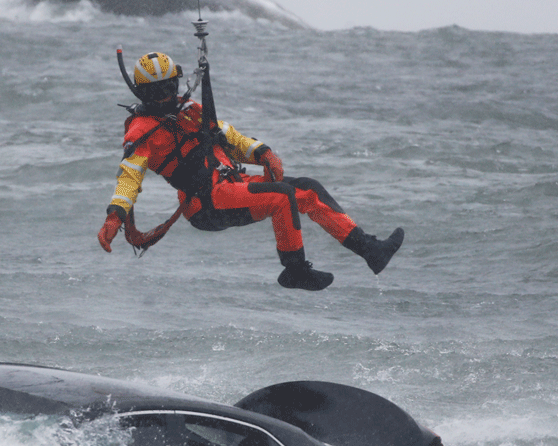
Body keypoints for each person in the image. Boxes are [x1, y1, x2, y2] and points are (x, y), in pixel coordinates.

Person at [97, 51, 404, 291]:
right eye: (156, 93)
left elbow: (231, 137)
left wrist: (264, 152)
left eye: (169, 88)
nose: (166, 97)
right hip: (205, 205)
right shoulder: (140, 133)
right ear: (143, 94)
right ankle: (295, 270)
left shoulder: (191, 112)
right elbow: (129, 179)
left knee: (308, 190)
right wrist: (115, 216)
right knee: (282, 197)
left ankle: (370, 250)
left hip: (233, 185)